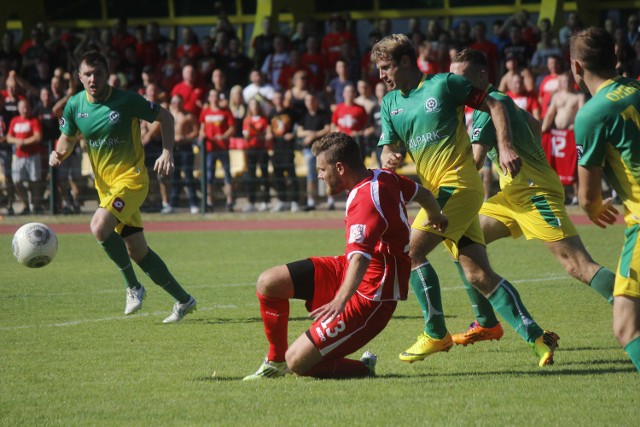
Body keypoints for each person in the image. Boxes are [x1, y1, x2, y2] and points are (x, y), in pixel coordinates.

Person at [371, 34, 559, 368]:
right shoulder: (390, 104)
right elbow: (389, 146)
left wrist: (504, 145)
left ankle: (435, 333)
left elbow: (496, 105)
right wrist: (390, 156)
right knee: (477, 274)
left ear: (404, 62)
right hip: (442, 194)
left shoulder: (445, 85)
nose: (381, 75)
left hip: (457, 188)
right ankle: (537, 337)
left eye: (385, 67)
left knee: (407, 253)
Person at [243, 131, 448, 380]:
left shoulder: (366, 201)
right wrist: (436, 215)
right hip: (351, 271)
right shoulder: (382, 177)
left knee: (297, 362)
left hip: (373, 296)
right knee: (269, 282)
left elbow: (360, 258)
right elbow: (423, 194)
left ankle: (364, 368)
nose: (318, 175)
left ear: (339, 168)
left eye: (321, 169)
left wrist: (340, 301)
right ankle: (274, 361)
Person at [448, 49, 614, 347]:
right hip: (513, 195)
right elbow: (535, 125)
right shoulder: (503, 101)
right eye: (452, 78)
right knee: (460, 239)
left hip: (536, 194)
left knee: (578, 265)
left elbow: (473, 164)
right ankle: (487, 323)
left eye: (461, 79)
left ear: (482, 76)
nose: (455, 85)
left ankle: (633, 306)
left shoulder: (489, 109)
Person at [50, 50, 197, 323]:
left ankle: (133, 287)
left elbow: (166, 117)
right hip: (106, 189)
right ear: (80, 77)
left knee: (98, 226)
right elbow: (67, 139)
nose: (94, 79)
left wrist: (167, 152)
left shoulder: (127, 100)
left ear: (107, 74)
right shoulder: (74, 105)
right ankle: (183, 300)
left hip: (132, 180)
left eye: (98, 73)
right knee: (138, 252)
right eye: (88, 74)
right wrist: (58, 153)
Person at [571, 27, 640, 372]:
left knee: (627, 328)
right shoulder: (637, 88)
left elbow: (587, 195)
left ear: (576, 67)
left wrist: (594, 209)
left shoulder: (591, 114)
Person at [199, 88, 235, 212]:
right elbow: (202, 128)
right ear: (209, 98)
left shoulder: (226, 112)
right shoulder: (205, 112)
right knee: (209, 176)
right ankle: (209, 201)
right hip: (209, 149)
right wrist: (202, 135)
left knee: (227, 174)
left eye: (216, 96)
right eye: (212, 96)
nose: (214, 99)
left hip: (223, 148)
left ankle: (229, 202)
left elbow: (232, 128)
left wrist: (223, 136)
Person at [296, 92, 331, 211]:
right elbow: (299, 132)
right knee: (311, 172)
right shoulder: (304, 116)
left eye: (312, 100)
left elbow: (327, 129)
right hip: (308, 150)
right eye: (308, 100)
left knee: (327, 173)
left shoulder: (323, 114)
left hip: (323, 150)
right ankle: (311, 200)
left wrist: (314, 135)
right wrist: (311, 134)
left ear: (316, 101)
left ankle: (330, 199)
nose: (310, 103)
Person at [267, 91, 300, 212]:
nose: (279, 100)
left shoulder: (291, 112)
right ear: (274, 100)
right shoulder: (271, 113)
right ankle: (282, 200)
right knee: (278, 176)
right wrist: (269, 133)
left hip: (288, 148)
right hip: (276, 149)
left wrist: (293, 134)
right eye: (276, 98)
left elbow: (298, 126)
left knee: (291, 175)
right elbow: (269, 127)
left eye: (281, 98)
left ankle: (295, 201)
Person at [168, 94, 200, 214]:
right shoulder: (168, 114)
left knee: (188, 176)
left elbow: (196, 131)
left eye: (179, 102)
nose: (177, 104)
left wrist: (185, 137)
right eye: (174, 102)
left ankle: (193, 204)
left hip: (185, 147)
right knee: (175, 176)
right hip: (173, 148)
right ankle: (173, 204)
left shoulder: (188, 116)